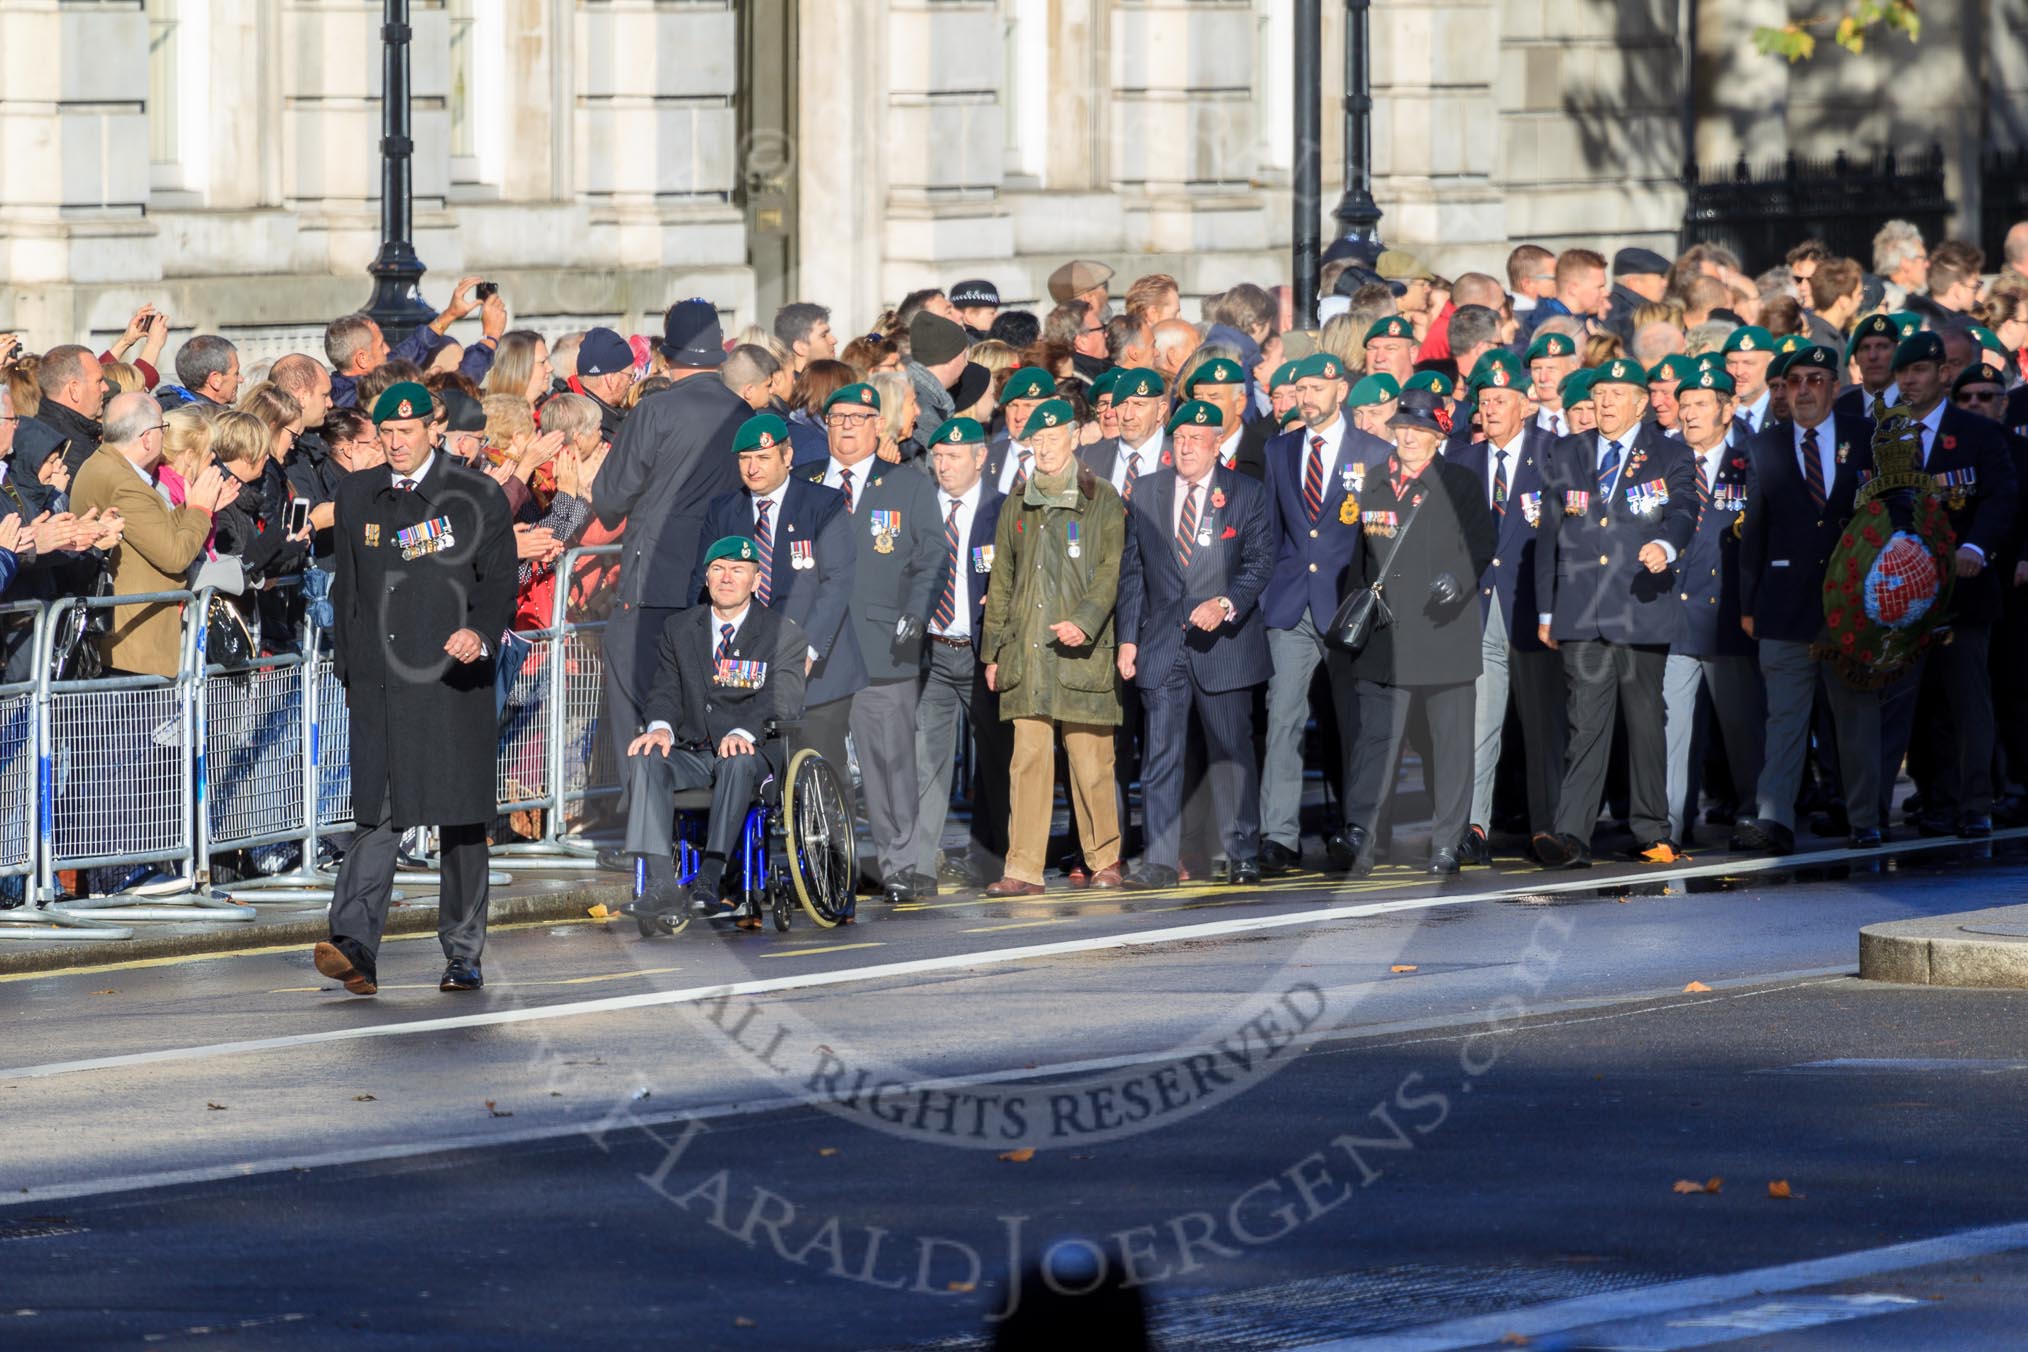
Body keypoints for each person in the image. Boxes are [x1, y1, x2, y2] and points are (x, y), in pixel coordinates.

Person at [313, 382, 515, 997]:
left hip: (451, 680)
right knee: (376, 812)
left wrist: (479, 633)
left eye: (407, 431)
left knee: (459, 818)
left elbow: (499, 580)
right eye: (386, 434)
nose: (396, 443)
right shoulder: (356, 492)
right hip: (379, 682)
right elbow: (348, 592)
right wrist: (349, 671)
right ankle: (354, 946)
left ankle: (462, 953)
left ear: (435, 429)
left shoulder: (474, 493)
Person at [1532, 357, 1699, 867]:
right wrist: (1545, 611)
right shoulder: (1566, 450)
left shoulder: (1669, 454)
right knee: (1585, 722)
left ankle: (1653, 830)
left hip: (1639, 604)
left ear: (1641, 402)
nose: (1604, 403)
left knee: (1645, 719)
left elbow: (1686, 509)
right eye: (1599, 393)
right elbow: (1548, 538)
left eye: (1615, 394)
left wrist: (1666, 547)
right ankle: (1572, 834)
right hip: (1581, 609)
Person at [1116, 398, 1275, 888]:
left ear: (1215, 445)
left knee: (1230, 750)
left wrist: (1227, 603)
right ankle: (1160, 859)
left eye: (1196, 440)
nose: (1185, 448)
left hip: (1223, 644)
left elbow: (1260, 561)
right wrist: (1127, 640)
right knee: (1161, 753)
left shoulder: (1245, 492)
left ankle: (1242, 849)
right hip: (1163, 644)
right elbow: (1133, 573)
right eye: (1179, 438)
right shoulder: (1145, 492)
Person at [590, 299, 749, 786]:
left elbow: (611, 498)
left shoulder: (654, 411)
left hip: (653, 579)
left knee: (636, 703)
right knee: (702, 703)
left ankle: (644, 818)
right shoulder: (742, 411)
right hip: (718, 582)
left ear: (667, 353)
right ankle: (695, 821)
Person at [1339, 388, 1496, 874]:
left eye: (1419, 429)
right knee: (1376, 742)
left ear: (1438, 435)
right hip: (1388, 637)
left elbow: (1480, 543)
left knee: (1449, 747)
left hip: (1444, 633)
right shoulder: (1374, 485)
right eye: (1402, 427)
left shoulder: (1462, 484)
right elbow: (1360, 559)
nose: (1407, 436)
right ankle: (1359, 832)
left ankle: (1448, 841)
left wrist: (1459, 576)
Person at [1733, 346, 1881, 852]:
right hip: (1783, 602)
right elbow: (1753, 531)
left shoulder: (1866, 437)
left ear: (1835, 388)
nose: (1802, 390)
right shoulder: (1765, 446)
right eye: (1794, 380)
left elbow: (1889, 514)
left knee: (1855, 716)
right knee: (1785, 719)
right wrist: (1748, 605)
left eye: (1815, 380)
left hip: (1851, 604)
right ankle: (1774, 818)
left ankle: (1866, 817)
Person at [620, 534, 810, 928]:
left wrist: (744, 730)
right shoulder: (679, 628)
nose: (727, 578)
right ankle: (660, 882)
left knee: (738, 761)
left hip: (753, 755)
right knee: (646, 756)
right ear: (706, 577)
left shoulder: (782, 633)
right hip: (693, 750)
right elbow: (665, 690)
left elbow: (783, 698)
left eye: (737, 570)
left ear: (756, 580)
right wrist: (659, 729)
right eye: (718, 570)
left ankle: (711, 872)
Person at [980, 397, 1127, 895]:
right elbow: (1001, 580)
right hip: (1028, 653)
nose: (1043, 448)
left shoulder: (1101, 498)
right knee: (1028, 764)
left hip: (1080, 654)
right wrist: (993, 652)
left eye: (1052, 437)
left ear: (1074, 436)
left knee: (1090, 762)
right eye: (1035, 440)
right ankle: (1022, 869)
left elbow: (1111, 572)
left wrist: (1084, 624)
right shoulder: (1016, 503)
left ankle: (1104, 859)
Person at [1879, 331, 2019, 837]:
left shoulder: (1977, 432)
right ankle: (1933, 797)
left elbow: (2002, 498)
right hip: (1904, 595)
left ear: (1943, 374)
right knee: (1916, 706)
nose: (1908, 381)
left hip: (1965, 591)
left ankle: (1975, 802)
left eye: (1917, 371)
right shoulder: (1887, 436)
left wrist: (1977, 548)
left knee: (1967, 701)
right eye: (1901, 373)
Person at [806, 381, 942, 902]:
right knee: (822, 763)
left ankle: (900, 865)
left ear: (876, 426)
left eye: (857, 418)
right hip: (820, 648)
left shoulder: (907, 485)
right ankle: (830, 866)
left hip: (882, 644)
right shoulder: (808, 480)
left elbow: (931, 557)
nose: (845, 426)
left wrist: (916, 612)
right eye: (837, 417)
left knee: (889, 763)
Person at [1258, 352, 1383, 870]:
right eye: (1299, 389)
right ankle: (1279, 836)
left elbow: (1382, 538)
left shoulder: (1374, 451)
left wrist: (1377, 601)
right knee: (1282, 718)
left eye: (1315, 388)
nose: (1306, 398)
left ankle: (1361, 832)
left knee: (1354, 725)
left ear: (1340, 390)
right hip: (1290, 606)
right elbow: (1268, 532)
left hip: (1348, 606)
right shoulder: (1279, 449)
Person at [696, 411, 862, 781]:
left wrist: (809, 648)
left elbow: (836, 581)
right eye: (745, 459)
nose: (753, 468)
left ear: (787, 457)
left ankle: (832, 839)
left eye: (763, 458)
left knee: (823, 766)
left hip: (817, 665)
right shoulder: (724, 511)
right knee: (751, 767)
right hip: (746, 664)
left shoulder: (823, 504)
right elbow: (704, 582)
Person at [1448, 349, 1564, 862]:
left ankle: (1549, 827)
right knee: (1480, 724)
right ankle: (1473, 826)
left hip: (1535, 609)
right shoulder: (1462, 461)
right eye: (1485, 399)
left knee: (1542, 725)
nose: (1491, 408)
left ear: (1527, 404)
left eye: (1502, 399)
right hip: (1478, 609)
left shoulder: (1557, 454)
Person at [1661, 369, 1764, 847]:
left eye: (1701, 404)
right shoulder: (1664, 462)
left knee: (1743, 732)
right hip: (1673, 617)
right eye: (1685, 403)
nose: (1688, 413)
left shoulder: (1753, 460)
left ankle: (1754, 815)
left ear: (1728, 409)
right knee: (1673, 732)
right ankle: (1671, 825)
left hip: (1729, 619)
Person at [913, 417, 1010, 891]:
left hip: (981, 651)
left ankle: (989, 855)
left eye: (954, 456)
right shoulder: (920, 508)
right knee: (926, 758)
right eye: (938, 456)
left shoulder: (1003, 510)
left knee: (995, 754)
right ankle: (920, 862)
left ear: (980, 458)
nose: (944, 465)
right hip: (931, 651)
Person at [68, 394, 227, 676]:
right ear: (147, 438)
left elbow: (156, 532)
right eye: (162, 429)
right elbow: (174, 555)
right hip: (133, 645)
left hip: (133, 640)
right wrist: (200, 510)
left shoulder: (110, 467)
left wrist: (191, 509)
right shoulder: (124, 482)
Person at [31, 345, 107, 479]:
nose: (105, 388)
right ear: (74, 389)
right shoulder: (66, 453)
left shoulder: (38, 431)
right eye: (98, 381)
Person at [1525, 331, 1580, 437]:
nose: (1543, 378)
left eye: (1552, 369)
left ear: (1574, 369)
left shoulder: (1589, 423)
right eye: (1537, 369)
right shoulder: (1520, 430)